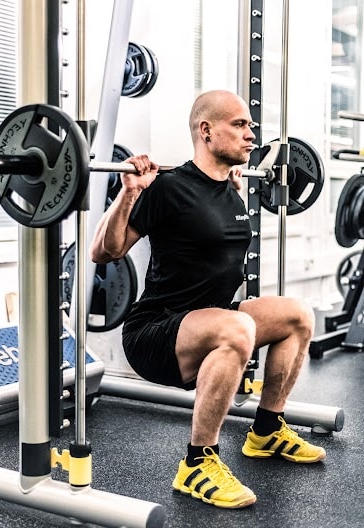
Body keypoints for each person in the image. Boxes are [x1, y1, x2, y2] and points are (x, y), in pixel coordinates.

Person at [89, 89, 326, 509]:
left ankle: (267, 429)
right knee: (238, 327)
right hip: (156, 331)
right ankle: (197, 463)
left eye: (251, 125)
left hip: (214, 319)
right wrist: (129, 193)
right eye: (239, 125)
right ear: (206, 130)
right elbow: (103, 252)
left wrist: (230, 186)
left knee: (297, 315)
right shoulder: (168, 188)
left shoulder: (230, 188)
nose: (251, 134)